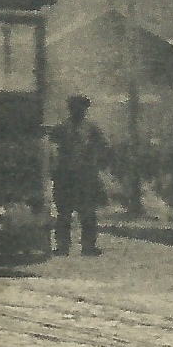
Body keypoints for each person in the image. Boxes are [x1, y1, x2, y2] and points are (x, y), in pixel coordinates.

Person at [48, 95, 112, 257]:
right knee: (64, 213)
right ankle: (62, 246)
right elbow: (51, 151)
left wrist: (98, 161)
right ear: (70, 109)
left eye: (81, 108)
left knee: (88, 212)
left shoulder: (91, 129)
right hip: (65, 176)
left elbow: (104, 147)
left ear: (85, 110)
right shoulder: (60, 129)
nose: (78, 111)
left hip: (86, 176)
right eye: (75, 107)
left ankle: (88, 245)